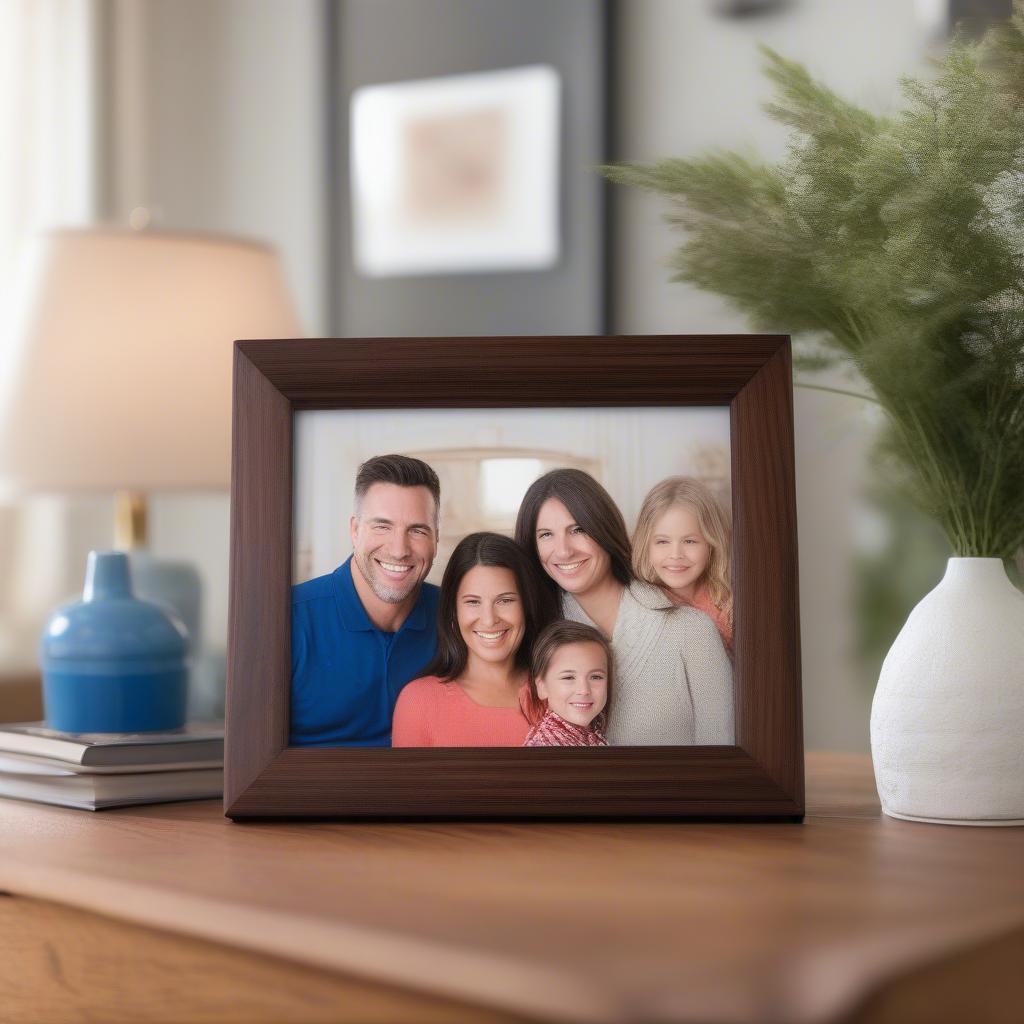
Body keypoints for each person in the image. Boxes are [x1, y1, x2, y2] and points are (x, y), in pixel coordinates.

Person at [514, 468, 734, 746]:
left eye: (578, 529)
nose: (563, 550)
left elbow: (724, 758)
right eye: (546, 535)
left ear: (604, 528)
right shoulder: (534, 639)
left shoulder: (692, 630)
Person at [290, 454, 442, 747]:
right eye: (382, 526)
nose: (399, 550)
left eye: (417, 530)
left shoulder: (456, 617)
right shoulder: (289, 619)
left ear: (436, 539)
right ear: (355, 530)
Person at [392, 532, 559, 747]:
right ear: (453, 612)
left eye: (505, 600)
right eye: (472, 602)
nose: (489, 620)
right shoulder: (418, 702)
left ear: (527, 606)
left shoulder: (562, 692)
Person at [632, 477, 734, 654]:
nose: (676, 554)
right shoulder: (636, 607)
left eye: (690, 541)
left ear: (711, 544)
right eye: (662, 541)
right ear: (645, 545)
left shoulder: (728, 607)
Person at [523, 620, 612, 747]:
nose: (584, 690)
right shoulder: (544, 748)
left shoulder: (592, 735)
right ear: (542, 687)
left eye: (595, 677)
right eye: (568, 677)